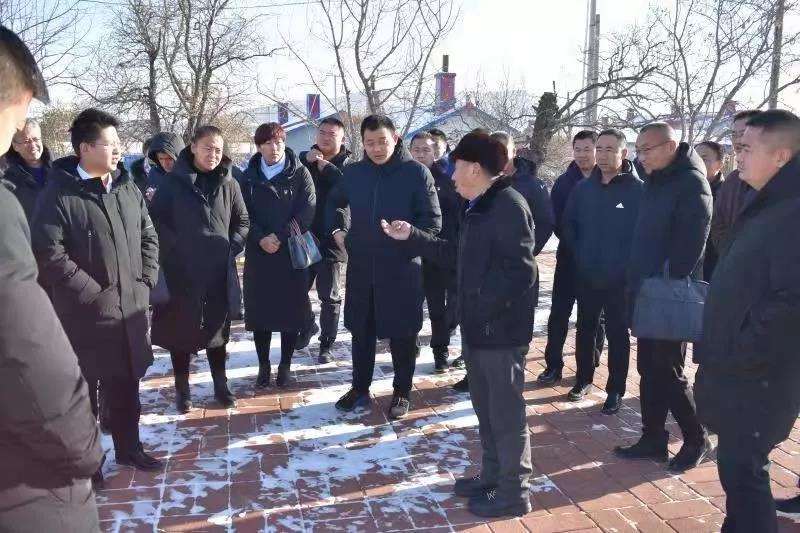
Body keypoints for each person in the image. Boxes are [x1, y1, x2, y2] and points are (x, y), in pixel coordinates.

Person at [382, 130, 535, 518]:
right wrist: (413, 236)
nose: (451, 175)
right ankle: (493, 476)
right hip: (479, 329)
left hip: (500, 333)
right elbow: (457, 256)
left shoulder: (507, 206)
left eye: (457, 167)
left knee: (506, 414)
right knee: (486, 410)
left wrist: (481, 309)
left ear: (476, 169)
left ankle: (514, 492)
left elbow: (521, 272)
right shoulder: (478, 205)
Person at [0, 25, 103, 533]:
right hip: (22, 482)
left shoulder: (124, 186)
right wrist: (82, 445)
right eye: (21, 117)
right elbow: (25, 348)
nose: (24, 131)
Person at [32, 107, 161, 478]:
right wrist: (92, 292)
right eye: (110, 144)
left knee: (126, 387)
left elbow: (148, 235)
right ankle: (89, 465)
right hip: (84, 314)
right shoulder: (59, 194)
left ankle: (129, 449)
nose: (118, 150)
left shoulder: (126, 187)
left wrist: (146, 278)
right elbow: (48, 252)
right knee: (85, 395)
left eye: (119, 143)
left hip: (130, 309)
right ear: (85, 148)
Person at [694, 110, 800, 532]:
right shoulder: (766, 202)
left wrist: (743, 347)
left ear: (780, 156)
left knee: (744, 472)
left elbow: (791, 302)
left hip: (760, 374)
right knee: (737, 470)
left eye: (746, 148)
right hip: (742, 368)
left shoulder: (792, 212)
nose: (737, 156)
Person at [328, 114, 441, 420]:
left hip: (401, 268)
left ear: (396, 139)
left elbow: (433, 224)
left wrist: (411, 233)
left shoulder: (416, 173)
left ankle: (402, 391)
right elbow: (334, 203)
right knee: (361, 331)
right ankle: (359, 388)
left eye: (382, 141)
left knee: (403, 334)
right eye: (370, 143)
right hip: (362, 267)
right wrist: (338, 230)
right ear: (362, 144)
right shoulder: (354, 173)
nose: (377, 148)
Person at [615, 122, 712, 472]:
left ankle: (697, 438)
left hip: (666, 294)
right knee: (648, 368)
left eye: (646, 149)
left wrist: (660, 280)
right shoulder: (658, 179)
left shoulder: (691, 183)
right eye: (638, 149)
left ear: (670, 147)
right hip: (646, 289)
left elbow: (690, 247)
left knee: (668, 370)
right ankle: (653, 437)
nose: (640, 156)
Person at [149, 125, 249, 412]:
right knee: (180, 333)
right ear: (193, 147)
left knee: (217, 331)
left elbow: (242, 221)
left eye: (218, 149)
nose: (213, 154)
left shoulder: (229, 183)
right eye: (207, 148)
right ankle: (182, 390)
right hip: (181, 272)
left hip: (217, 272)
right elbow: (155, 224)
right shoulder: (172, 183)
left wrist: (230, 248)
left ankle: (221, 386)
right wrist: (177, 250)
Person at [561, 129, 643, 414]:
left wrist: (627, 268)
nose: (603, 155)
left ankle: (615, 389)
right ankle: (583, 379)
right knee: (586, 327)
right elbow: (569, 225)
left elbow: (642, 235)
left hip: (620, 279)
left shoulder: (637, 190)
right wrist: (581, 258)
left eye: (610, 149)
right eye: (600, 148)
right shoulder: (583, 189)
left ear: (624, 153)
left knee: (618, 334)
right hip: (588, 274)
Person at [241, 122, 315, 387]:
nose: (274, 148)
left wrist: (280, 237)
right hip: (259, 253)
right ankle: (264, 365)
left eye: (279, 142)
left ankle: (285, 364)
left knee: (290, 312)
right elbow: (242, 213)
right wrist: (260, 237)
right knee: (260, 313)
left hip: (290, 251)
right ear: (259, 146)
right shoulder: (248, 177)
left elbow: (307, 210)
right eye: (268, 143)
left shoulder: (300, 173)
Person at [538, 130, 605, 384]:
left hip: (598, 264)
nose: (582, 155)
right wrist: (575, 244)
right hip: (568, 259)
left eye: (587, 149)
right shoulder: (564, 183)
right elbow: (556, 220)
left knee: (593, 318)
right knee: (559, 315)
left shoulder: (607, 180)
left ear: (596, 150)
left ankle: (588, 365)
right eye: (578, 149)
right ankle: (553, 365)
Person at [297, 117, 352, 361]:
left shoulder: (349, 166)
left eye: (332, 134)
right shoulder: (304, 161)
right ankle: (308, 324)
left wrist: (327, 168)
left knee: (329, 296)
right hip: (304, 237)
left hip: (333, 237)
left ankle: (326, 344)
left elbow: (348, 191)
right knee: (296, 290)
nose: (326, 137)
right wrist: (304, 159)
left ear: (342, 139)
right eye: (322, 132)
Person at [410, 131, 461, 373]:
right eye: (416, 150)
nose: (421, 154)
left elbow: (456, 218)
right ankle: (409, 345)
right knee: (409, 305)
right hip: (408, 254)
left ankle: (440, 351)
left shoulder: (447, 180)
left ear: (436, 153)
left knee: (437, 307)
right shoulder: (401, 178)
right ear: (410, 151)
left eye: (426, 150)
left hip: (438, 253)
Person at [708, 110, 761, 251]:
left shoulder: (781, 178)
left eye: (743, 133)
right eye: (734, 135)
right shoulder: (732, 180)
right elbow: (718, 223)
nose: (737, 141)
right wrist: (731, 253)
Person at [2, 118, 51, 220]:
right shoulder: (7, 180)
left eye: (36, 139)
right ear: (15, 146)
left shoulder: (59, 169)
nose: (33, 145)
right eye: (26, 141)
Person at [694, 140, 725, 280]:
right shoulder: (687, 189)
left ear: (719, 164)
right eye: (696, 158)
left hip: (714, 268)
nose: (699, 163)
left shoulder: (726, 194)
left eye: (705, 159)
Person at [144, 131, 184, 201]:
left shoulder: (191, 175)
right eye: (161, 159)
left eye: (169, 159)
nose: (165, 164)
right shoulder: (154, 172)